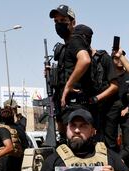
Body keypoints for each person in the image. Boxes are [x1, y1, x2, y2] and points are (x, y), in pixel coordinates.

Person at [49, 4, 77, 139]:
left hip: (75, 104)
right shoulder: (63, 48)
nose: (58, 25)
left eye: (62, 21)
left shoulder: (77, 42)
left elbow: (85, 61)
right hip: (62, 103)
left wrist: (68, 86)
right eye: (56, 22)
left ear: (73, 22)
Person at [113, 51, 129, 149]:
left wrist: (128, 108)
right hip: (111, 113)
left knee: (128, 142)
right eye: (117, 58)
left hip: (127, 113)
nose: (120, 60)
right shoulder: (109, 76)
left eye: (122, 58)